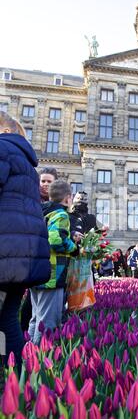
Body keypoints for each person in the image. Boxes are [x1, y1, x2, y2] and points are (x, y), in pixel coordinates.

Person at [0, 111, 51, 368]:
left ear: (5, 131)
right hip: (22, 257)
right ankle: (17, 380)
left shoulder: (1, 148)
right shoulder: (28, 166)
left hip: (4, 252)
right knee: (7, 319)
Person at [29, 180, 80, 345]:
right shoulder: (61, 214)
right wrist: (73, 248)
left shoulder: (42, 212)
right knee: (48, 322)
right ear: (67, 198)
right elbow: (55, 240)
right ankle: (40, 358)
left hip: (36, 271)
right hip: (52, 275)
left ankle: (28, 353)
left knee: (36, 318)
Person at [21, 166, 58, 332]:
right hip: (28, 255)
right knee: (29, 302)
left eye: (49, 181)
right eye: (42, 181)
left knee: (36, 303)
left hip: (47, 260)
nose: (45, 184)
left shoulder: (57, 207)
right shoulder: (30, 200)